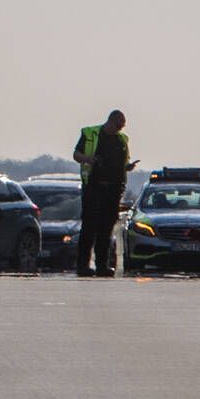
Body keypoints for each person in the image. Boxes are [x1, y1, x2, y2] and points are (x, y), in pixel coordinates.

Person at [75, 109, 130, 276]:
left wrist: (128, 168)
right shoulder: (91, 134)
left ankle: (102, 266)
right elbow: (76, 154)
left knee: (106, 230)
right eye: (118, 125)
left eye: (122, 126)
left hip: (113, 190)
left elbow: (122, 163)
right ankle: (83, 265)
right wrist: (89, 160)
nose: (120, 129)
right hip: (94, 187)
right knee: (89, 228)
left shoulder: (122, 140)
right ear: (110, 121)